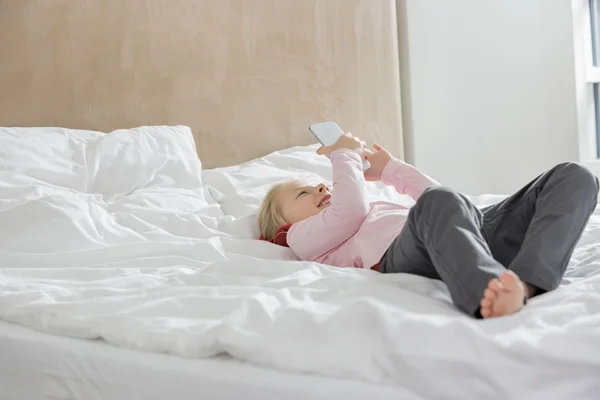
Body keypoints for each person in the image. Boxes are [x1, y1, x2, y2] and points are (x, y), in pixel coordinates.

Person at [258, 133, 599, 318]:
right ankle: (485, 292)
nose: (323, 187)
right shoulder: (300, 239)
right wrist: (343, 155)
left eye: (326, 185)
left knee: (574, 176)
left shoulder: (363, 207)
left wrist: (391, 169)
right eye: (304, 192)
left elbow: (445, 199)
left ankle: (526, 283)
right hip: (403, 256)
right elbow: (351, 209)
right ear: (281, 227)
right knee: (438, 204)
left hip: (469, 235)